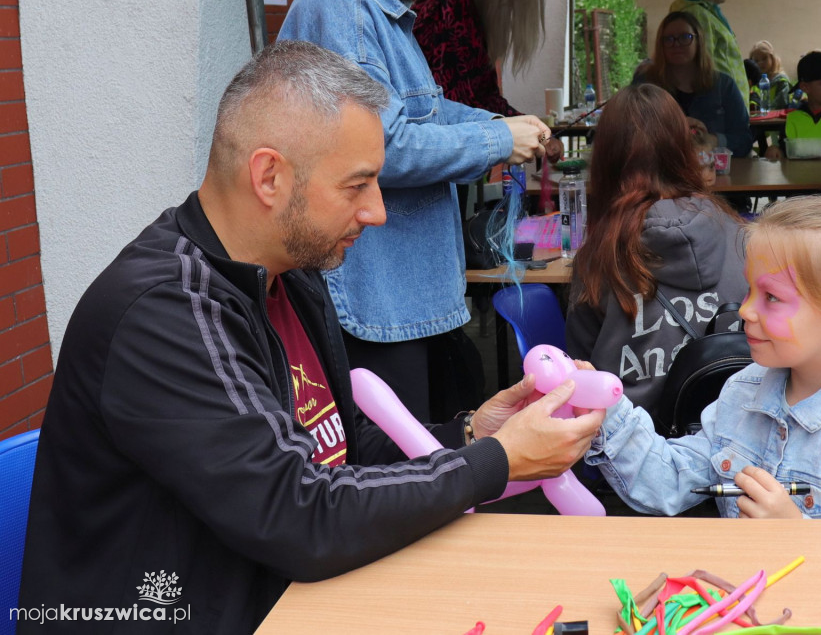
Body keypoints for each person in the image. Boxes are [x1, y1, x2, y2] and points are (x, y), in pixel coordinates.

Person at [16, 41, 605, 634]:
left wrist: (476, 431)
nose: (376, 211)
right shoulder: (164, 314)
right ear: (269, 176)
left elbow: (342, 452)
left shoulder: (293, 277)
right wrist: (494, 463)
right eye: (357, 186)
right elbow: (300, 514)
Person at [277, 0, 553, 422]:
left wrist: (496, 124)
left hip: (398, 289)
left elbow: (418, 110)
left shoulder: (373, 6)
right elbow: (385, 147)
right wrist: (498, 140)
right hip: (375, 294)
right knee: (405, 472)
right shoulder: (345, 6)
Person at [584, 195, 821, 520]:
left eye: (772, 297)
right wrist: (601, 409)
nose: (745, 310)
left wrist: (797, 536)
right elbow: (669, 481)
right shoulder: (742, 392)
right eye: (749, 290)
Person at [565, 84, 747, 414]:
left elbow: (582, 371)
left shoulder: (598, 256)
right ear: (683, 147)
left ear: (605, 160)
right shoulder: (740, 234)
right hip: (737, 431)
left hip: (629, 444)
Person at [412, 0, 547, 117]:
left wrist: (530, 127)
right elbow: (455, 102)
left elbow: (482, 96)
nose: (515, 4)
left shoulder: (467, 5)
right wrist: (520, 127)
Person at [635, 11, 753, 158]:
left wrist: (713, 140)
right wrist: (675, 130)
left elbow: (744, 139)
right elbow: (631, 136)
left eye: (685, 37)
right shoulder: (644, 85)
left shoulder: (724, 85)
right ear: (661, 45)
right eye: (669, 39)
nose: (676, 44)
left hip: (715, 174)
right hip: (661, 175)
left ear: (699, 41)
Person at [669, 0, 747, 97]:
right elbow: (703, 66)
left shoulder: (706, 12)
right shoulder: (697, 14)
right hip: (719, 107)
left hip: (725, 105)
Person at [766, 51, 821, 160]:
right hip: (800, 176)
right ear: (805, 87)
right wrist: (776, 151)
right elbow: (784, 153)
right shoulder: (794, 119)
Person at [748, 40, 791, 110]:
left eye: (764, 58)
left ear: (772, 58)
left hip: (776, 119)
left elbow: (781, 104)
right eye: (756, 61)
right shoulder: (752, 83)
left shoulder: (781, 81)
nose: (761, 63)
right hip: (756, 119)